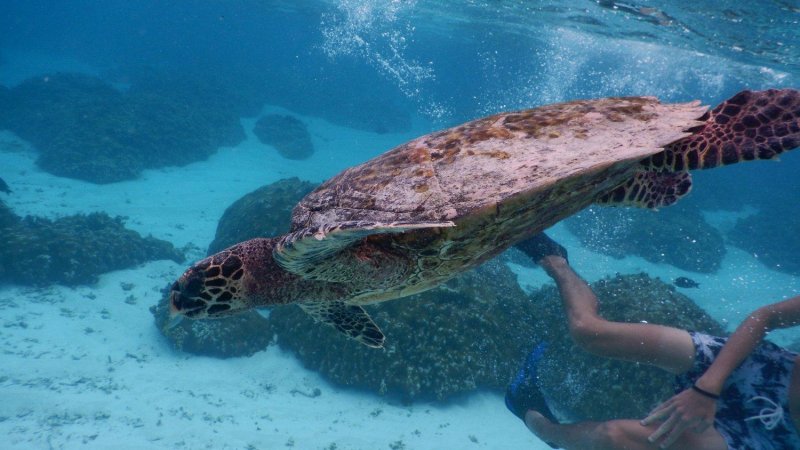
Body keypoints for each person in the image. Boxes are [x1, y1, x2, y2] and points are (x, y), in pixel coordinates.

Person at [506, 233, 800, 450]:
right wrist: (707, 387)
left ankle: (545, 429)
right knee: (589, 332)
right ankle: (556, 261)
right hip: (765, 370)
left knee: (614, 436)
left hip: (773, 439)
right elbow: (767, 318)